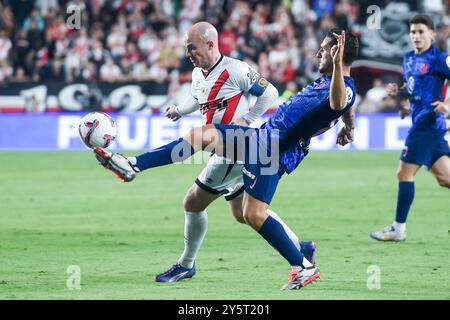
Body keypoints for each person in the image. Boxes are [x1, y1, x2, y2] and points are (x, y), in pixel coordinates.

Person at [94, 29, 359, 290]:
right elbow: (343, 109)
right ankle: (134, 165)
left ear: (338, 54)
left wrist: (337, 71)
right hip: (265, 139)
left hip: (276, 148)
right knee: (231, 189)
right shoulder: (328, 82)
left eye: (323, 49)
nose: (318, 53)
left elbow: (339, 103)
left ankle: (304, 265)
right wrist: (349, 125)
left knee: (250, 211)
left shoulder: (342, 86)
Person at [135, 21, 313, 283]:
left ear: (210, 44)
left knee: (193, 203)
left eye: (192, 48)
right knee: (244, 214)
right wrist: (179, 111)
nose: (188, 54)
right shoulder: (198, 74)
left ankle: (186, 264)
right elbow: (198, 97)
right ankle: (301, 246)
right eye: (186, 49)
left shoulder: (236, 69)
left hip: (234, 151)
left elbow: (271, 92)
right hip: (224, 149)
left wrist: (249, 118)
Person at [370, 14, 450, 242]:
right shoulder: (408, 58)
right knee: (445, 178)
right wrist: (403, 97)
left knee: (403, 173)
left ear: (432, 34)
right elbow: (416, 88)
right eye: (413, 32)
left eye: (421, 32)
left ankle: (398, 229)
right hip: (423, 122)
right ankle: (398, 229)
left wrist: (447, 104)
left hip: (428, 124)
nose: (416, 36)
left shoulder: (439, 59)